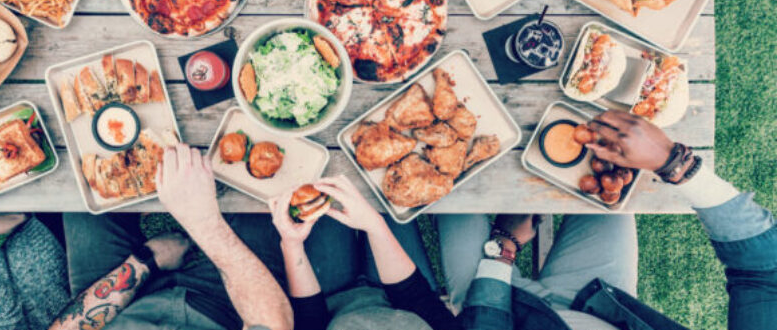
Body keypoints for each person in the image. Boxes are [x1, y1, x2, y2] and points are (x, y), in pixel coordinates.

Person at [438, 110, 777, 329]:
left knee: (446, 183)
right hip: (598, 303)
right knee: (603, 173)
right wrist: (672, 163)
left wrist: (504, 247)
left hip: (502, 310)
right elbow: (763, 273)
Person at [58, 143, 293, 330]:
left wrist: (146, 261)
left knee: (78, 175)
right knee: (265, 186)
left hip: (118, 308)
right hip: (224, 307)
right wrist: (204, 222)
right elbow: (274, 325)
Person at [267, 176, 460, 330]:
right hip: (404, 298)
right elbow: (416, 298)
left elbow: (309, 320)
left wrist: (292, 244)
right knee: (389, 187)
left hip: (330, 299)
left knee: (311, 179)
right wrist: (375, 225)